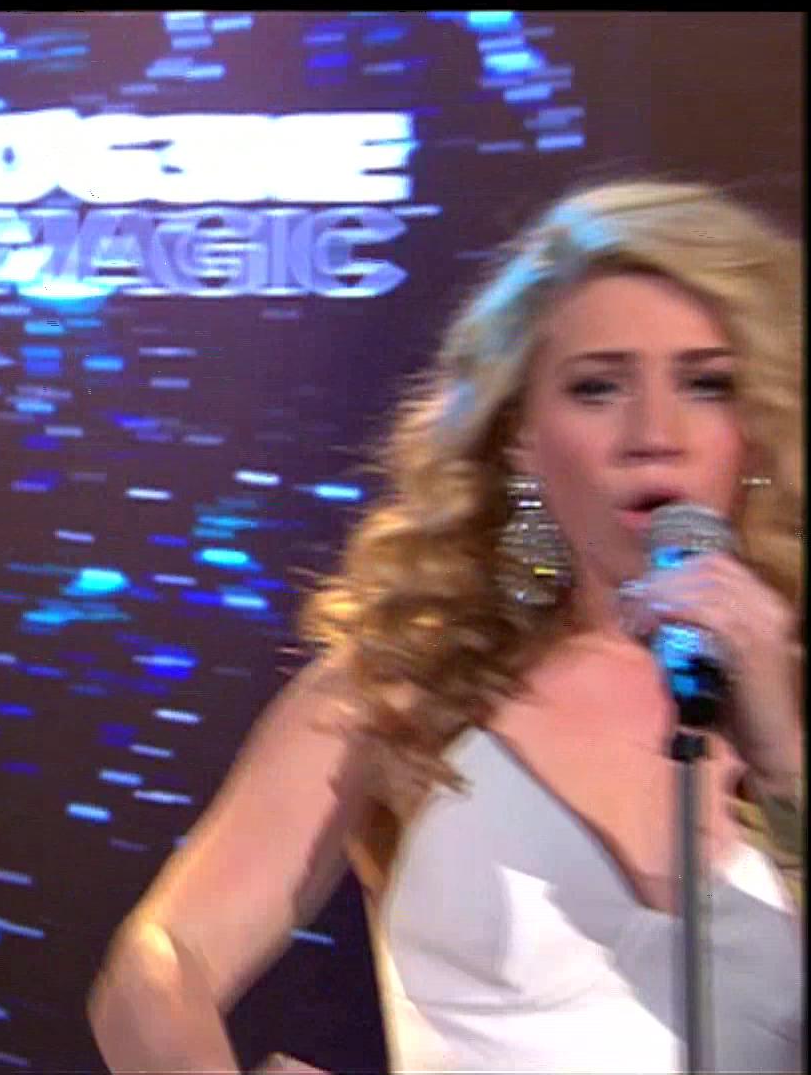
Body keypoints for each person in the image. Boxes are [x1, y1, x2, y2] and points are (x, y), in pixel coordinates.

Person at [88, 180, 804, 1073]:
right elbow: (158, 965)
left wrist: (783, 760)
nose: (655, 433)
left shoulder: (788, 704)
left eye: (706, 384)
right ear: (522, 436)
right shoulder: (409, 685)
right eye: (597, 387)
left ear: (755, 429)